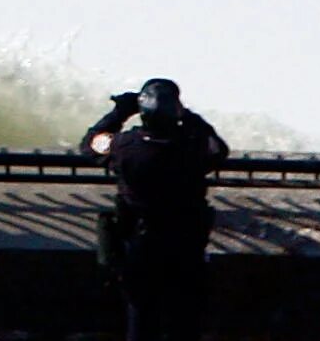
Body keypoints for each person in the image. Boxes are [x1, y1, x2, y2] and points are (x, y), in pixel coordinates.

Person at [82, 78, 229, 341]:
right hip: (184, 246)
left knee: (140, 316)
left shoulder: (125, 146)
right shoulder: (192, 146)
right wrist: (191, 117)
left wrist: (119, 112)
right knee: (184, 319)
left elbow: (91, 144)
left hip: (139, 245)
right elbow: (219, 148)